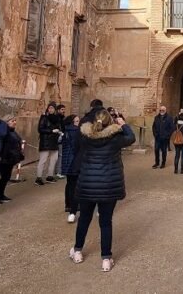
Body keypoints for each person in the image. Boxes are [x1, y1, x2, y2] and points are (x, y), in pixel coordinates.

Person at [69, 109, 135, 270]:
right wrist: (123, 124)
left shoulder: (85, 137)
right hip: (108, 186)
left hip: (87, 184)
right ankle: (106, 258)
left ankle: (77, 250)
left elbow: (75, 146)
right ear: (110, 122)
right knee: (105, 222)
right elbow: (131, 138)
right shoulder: (115, 139)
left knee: (84, 219)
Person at [0, 114, 25, 206]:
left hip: (11, 158)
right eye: (12, 121)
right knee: (4, 177)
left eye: (15, 120)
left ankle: (0, 194)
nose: (14, 122)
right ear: (6, 122)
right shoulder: (3, 132)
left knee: (6, 177)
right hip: (4, 158)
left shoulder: (13, 132)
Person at [36, 102, 63, 185]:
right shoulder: (44, 117)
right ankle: (38, 178)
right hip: (46, 141)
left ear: (55, 109)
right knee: (43, 160)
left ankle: (50, 176)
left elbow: (59, 126)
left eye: (52, 108)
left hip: (54, 142)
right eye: (49, 108)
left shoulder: (57, 118)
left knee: (54, 159)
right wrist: (51, 131)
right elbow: (40, 129)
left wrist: (59, 132)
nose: (50, 109)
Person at [62, 115, 81, 222]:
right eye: (77, 121)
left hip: (66, 161)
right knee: (74, 185)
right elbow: (75, 147)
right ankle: (74, 205)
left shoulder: (66, 131)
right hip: (73, 161)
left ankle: (68, 204)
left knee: (69, 184)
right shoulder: (75, 131)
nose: (78, 123)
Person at [54, 104, 67, 179]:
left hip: (61, 137)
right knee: (60, 155)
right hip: (58, 138)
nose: (63, 111)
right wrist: (61, 133)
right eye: (62, 109)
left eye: (64, 109)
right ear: (58, 110)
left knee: (59, 155)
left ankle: (57, 171)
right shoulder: (57, 118)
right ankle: (58, 171)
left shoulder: (63, 118)